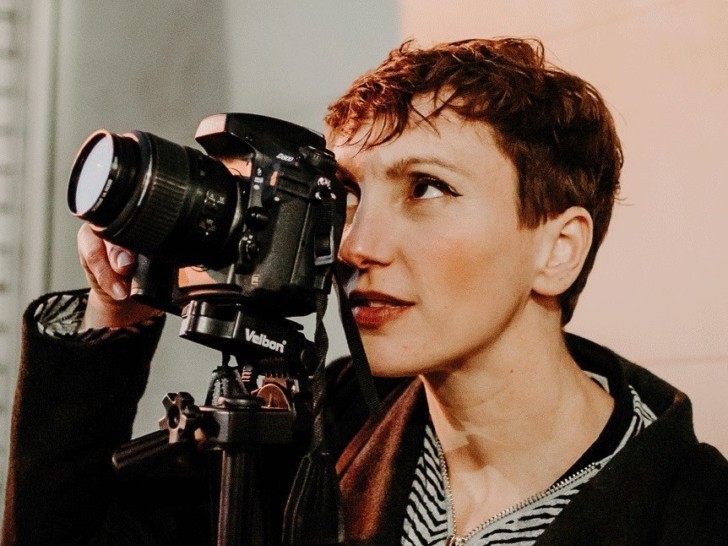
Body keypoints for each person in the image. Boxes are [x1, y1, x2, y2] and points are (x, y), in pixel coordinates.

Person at [3, 37, 727, 546]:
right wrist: (116, 311)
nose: (353, 246)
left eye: (427, 189)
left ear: (557, 250)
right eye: (347, 196)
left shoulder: (695, 512)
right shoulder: (318, 427)